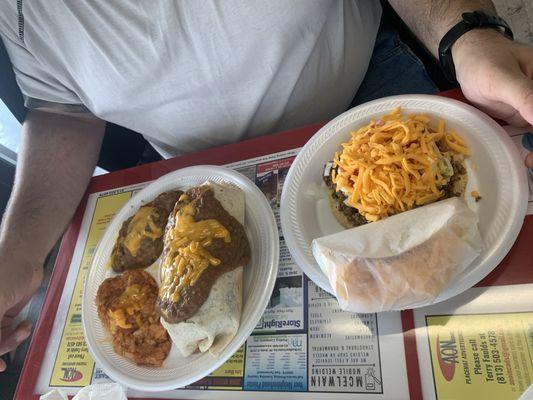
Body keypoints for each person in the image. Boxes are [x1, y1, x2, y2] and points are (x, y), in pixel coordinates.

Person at [0, 0, 532, 372]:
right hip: (204, 178)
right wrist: (19, 249)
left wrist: (470, 36)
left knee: (475, 300)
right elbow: (60, 110)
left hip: (372, 98)